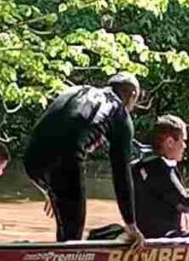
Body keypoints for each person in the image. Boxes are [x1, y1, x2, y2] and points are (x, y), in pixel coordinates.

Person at [23, 73, 148, 245]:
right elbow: (121, 173)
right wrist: (131, 226)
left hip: (30, 157)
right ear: (133, 95)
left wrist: (49, 190)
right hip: (64, 160)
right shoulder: (119, 112)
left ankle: (49, 258)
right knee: (72, 235)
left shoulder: (77, 91)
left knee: (66, 219)